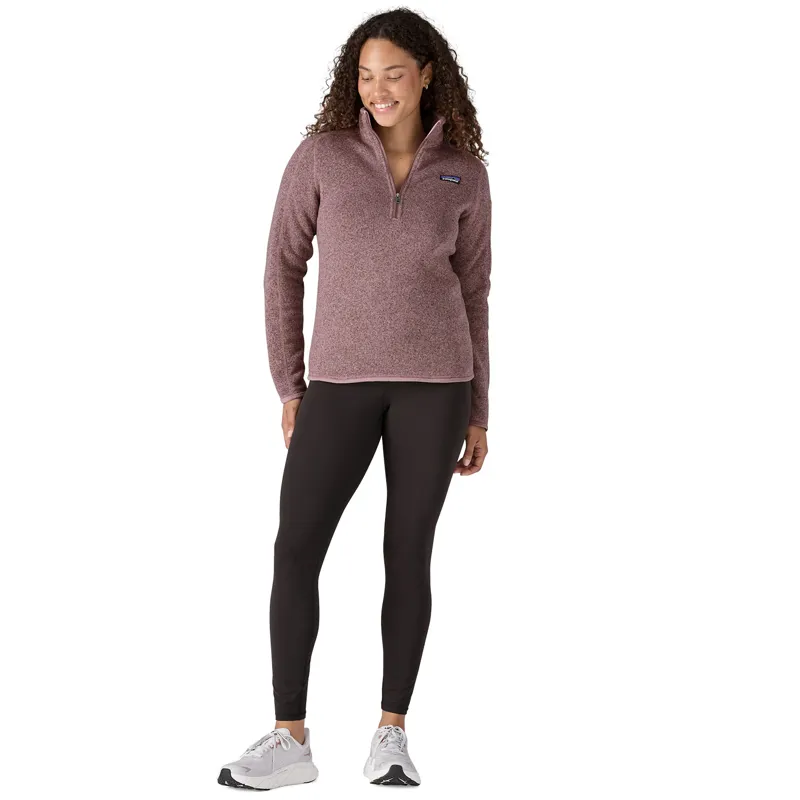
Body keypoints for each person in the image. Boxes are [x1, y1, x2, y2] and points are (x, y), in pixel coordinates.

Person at [218, 8, 492, 791]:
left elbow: (475, 288)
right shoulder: (322, 157)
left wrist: (480, 408)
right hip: (337, 383)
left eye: (394, 74)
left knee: (407, 553)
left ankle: (391, 734)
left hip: (437, 387)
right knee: (296, 548)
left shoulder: (463, 172)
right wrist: (290, 382)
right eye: (367, 76)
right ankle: (290, 738)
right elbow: (282, 266)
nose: (379, 90)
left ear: (427, 75)